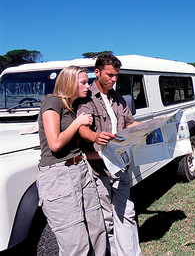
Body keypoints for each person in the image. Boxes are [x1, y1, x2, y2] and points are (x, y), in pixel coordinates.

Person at [36, 66, 106, 256]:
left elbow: (77, 149)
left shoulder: (73, 108)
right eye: (83, 82)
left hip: (81, 169)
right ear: (69, 83)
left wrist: (106, 155)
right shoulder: (52, 102)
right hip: (59, 176)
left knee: (97, 230)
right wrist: (78, 123)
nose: (88, 86)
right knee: (76, 244)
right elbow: (56, 144)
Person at [76, 54, 141, 256]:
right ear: (97, 72)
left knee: (126, 212)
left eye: (116, 76)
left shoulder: (118, 98)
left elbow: (130, 123)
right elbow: (81, 128)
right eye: (110, 75)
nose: (113, 79)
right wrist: (95, 136)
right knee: (106, 217)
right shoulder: (87, 98)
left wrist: (154, 127)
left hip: (119, 163)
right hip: (98, 167)